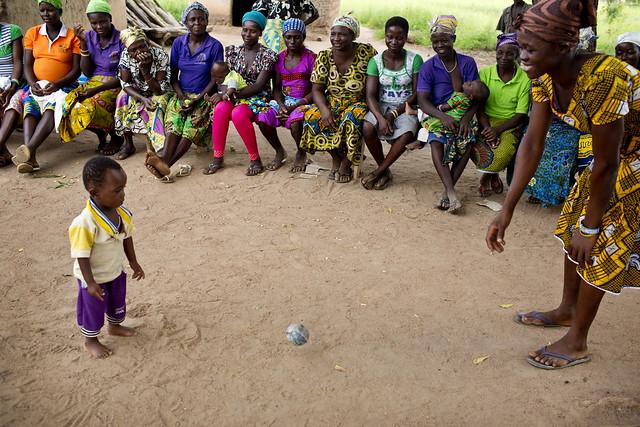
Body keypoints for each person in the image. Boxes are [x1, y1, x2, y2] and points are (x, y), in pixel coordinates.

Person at [486, 0, 639, 370]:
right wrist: (506, 209)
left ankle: (577, 341)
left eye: (531, 48)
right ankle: (568, 310)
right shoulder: (543, 73)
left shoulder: (605, 76)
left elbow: (608, 162)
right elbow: (532, 143)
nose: (523, 55)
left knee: (601, 242)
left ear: (564, 47)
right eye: (521, 45)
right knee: (573, 233)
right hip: (613, 157)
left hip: (631, 159)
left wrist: (592, 225)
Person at [69, 156, 144, 359]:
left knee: (117, 302)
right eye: (117, 190)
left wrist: (133, 262)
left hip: (114, 270)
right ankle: (90, 340)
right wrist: (90, 282)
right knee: (92, 310)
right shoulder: (84, 223)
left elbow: (127, 237)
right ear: (95, 193)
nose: (123, 195)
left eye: (123, 188)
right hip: (93, 278)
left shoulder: (122, 213)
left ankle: (115, 325)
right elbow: (81, 255)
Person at [146, 2, 223, 182]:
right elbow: (173, 75)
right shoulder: (179, 44)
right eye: (192, 19)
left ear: (206, 21)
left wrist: (197, 100)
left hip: (203, 96)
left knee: (190, 126)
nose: (197, 23)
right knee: (175, 122)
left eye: (201, 19)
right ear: (186, 23)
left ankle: (166, 162)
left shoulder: (214, 46)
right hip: (181, 94)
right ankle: (164, 162)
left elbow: (215, 78)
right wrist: (180, 96)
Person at [300, 14, 377, 183]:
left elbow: (376, 81)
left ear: (353, 35)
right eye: (333, 34)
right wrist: (325, 110)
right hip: (333, 100)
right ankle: (337, 156)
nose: (336, 38)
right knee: (311, 117)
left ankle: (346, 163)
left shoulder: (367, 52)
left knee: (352, 119)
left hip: (359, 102)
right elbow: (317, 89)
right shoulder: (324, 56)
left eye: (342, 34)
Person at [416, 15, 479, 212]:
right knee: (437, 142)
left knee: (466, 142)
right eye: (436, 41)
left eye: (445, 40)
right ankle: (451, 193)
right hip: (437, 113)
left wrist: (467, 120)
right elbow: (423, 101)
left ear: (454, 39)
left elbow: (477, 97)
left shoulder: (467, 63)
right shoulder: (428, 66)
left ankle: (446, 193)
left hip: (464, 114)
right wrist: (443, 116)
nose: (440, 44)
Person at [203, 11, 277, 176]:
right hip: (232, 94)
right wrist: (222, 93)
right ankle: (218, 157)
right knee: (221, 109)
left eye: (253, 31)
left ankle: (255, 159)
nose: (247, 34)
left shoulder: (267, 55)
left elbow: (258, 85)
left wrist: (230, 95)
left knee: (238, 114)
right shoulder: (232, 52)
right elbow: (226, 78)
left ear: (260, 33)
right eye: (245, 29)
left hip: (256, 98)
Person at [11, 0, 81, 173]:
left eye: (50, 10)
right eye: (42, 10)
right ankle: (31, 157)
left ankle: (29, 150)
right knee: (30, 107)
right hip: (38, 85)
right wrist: (32, 83)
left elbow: (76, 70)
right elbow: (27, 64)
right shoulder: (33, 33)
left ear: (59, 11)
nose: (45, 14)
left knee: (52, 109)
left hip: (63, 86)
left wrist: (57, 84)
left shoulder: (72, 36)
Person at [360, 16, 422, 190]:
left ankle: (378, 171)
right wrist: (380, 117)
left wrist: (394, 114)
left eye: (399, 37)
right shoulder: (376, 62)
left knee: (408, 133)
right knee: (367, 127)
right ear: (385, 36)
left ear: (406, 37)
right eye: (390, 37)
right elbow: (370, 95)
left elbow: (417, 93)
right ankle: (385, 170)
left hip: (406, 108)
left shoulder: (414, 60)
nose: (394, 41)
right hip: (381, 106)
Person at [58, 0, 124, 155]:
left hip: (115, 83)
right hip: (93, 81)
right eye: (94, 23)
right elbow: (87, 72)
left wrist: (96, 90)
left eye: (103, 21)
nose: (99, 26)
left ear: (110, 18)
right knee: (70, 103)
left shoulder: (121, 39)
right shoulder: (88, 37)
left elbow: (124, 76)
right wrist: (82, 43)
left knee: (92, 104)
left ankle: (116, 136)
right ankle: (101, 135)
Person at [472, 33, 530, 196]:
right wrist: (488, 129)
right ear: (495, 53)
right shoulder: (485, 73)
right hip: (486, 120)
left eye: (510, 54)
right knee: (469, 146)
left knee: (501, 155)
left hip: (510, 123)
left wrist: (497, 130)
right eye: (500, 53)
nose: (504, 57)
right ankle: (493, 174)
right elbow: (480, 107)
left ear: (517, 56)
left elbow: (520, 114)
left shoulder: (524, 79)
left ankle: (486, 177)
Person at [258, 18, 316, 173]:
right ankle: (279, 151)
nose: (292, 41)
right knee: (263, 118)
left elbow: (317, 90)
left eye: (297, 37)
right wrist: (281, 105)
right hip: (284, 101)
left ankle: (301, 151)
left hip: (305, 102)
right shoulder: (280, 58)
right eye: (288, 37)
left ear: (303, 37)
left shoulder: (311, 58)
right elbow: (276, 87)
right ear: (283, 36)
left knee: (296, 121)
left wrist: (295, 106)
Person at [114, 27, 171, 162]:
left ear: (148, 44)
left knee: (156, 104)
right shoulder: (126, 56)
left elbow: (160, 90)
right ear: (128, 51)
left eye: (142, 47)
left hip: (158, 91)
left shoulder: (160, 55)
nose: (139, 52)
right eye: (134, 50)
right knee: (122, 98)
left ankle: (159, 147)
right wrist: (141, 98)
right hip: (137, 91)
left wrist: (146, 73)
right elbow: (125, 83)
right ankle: (128, 144)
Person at [252, 0, 319, 53]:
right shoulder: (266, 1)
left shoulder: (298, 1)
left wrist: (301, 25)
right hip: (269, 37)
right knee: (268, 58)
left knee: (288, 58)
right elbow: (255, 16)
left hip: (290, 36)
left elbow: (315, 14)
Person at [0, 21, 24, 167]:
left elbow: (18, 62)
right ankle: (3, 151)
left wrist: (14, 83)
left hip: (11, 81)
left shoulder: (12, 31)